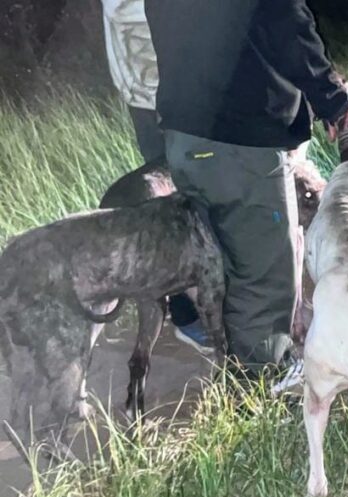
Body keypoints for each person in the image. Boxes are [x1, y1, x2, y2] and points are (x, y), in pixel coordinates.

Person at [144, 0, 348, 386]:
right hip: (242, 141)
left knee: (223, 264)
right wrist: (332, 99)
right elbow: (287, 24)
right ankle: (261, 383)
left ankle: (235, 373)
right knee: (264, 276)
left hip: (184, 137)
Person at [101, 0, 217, 354]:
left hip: (168, 89)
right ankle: (187, 315)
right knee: (179, 205)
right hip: (156, 95)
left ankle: (195, 306)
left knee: (192, 198)